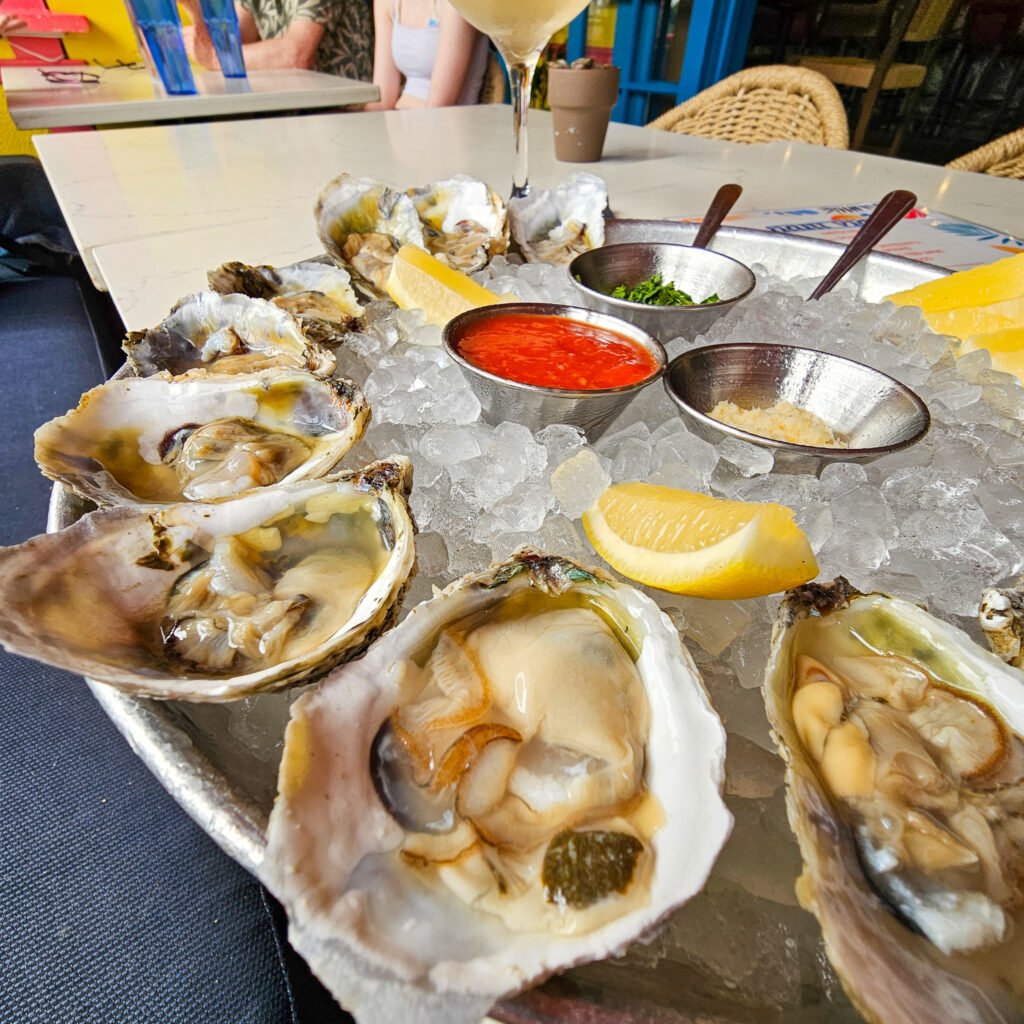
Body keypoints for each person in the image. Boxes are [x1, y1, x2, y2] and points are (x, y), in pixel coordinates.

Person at [181, 0, 373, 82]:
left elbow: (295, 56)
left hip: (344, 117)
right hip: (295, 115)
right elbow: (233, 41)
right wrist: (196, 10)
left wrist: (216, 58)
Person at [367, 0, 489, 109]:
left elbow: (438, 108)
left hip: (449, 128)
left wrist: (401, 108)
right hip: (406, 120)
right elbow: (382, 101)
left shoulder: (457, 4)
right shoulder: (386, 3)